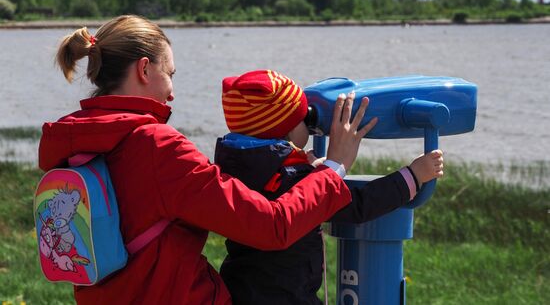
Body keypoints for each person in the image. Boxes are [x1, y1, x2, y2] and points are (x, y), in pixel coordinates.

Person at [39, 15, 374, 304]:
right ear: (144, 69)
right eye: (170, 72)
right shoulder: (157, 146)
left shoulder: (75, 142)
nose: (172, 92)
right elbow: (271, 225)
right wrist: (334, 168)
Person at [215, 70, 444, 305]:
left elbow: (274, 177)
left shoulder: (230, 170)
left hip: (241, 291)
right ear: (289, 129)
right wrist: (414, 175)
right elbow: (356, 205)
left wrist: (311, 169)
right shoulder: (291, 179)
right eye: (304, 118)